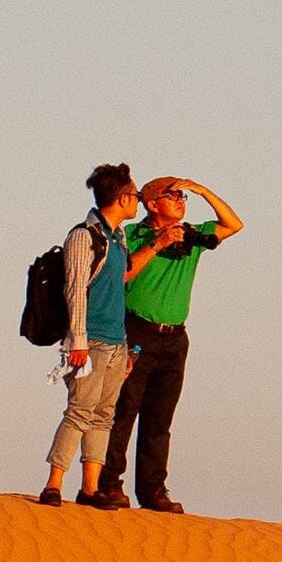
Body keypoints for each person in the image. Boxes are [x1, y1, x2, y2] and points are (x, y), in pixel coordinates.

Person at [106, 175, 244, 513]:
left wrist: (203, 189)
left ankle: (153, 490)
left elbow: (233, 224)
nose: (181, 201)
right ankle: (109, 484)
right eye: (173, 196)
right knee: (123, 410)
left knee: (159, 419)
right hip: (136, 330)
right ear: (152, 204)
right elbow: (122, 274)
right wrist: (157, 243)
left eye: (183, 196)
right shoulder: (133, 235)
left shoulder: (193, 236)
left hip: (174, 338)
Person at [42, 163, 146, 509]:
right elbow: (75, 290)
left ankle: (89, 488)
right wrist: (78, 341)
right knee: (79, 411)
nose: (138, 202)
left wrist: (127, 348)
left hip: (116, 342)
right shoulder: (83, 236)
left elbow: (118, 289)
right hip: (90, 341)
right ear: (121, 197)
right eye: (135, 196)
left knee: (104, 415)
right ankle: (53, 483)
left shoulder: (119, 238)